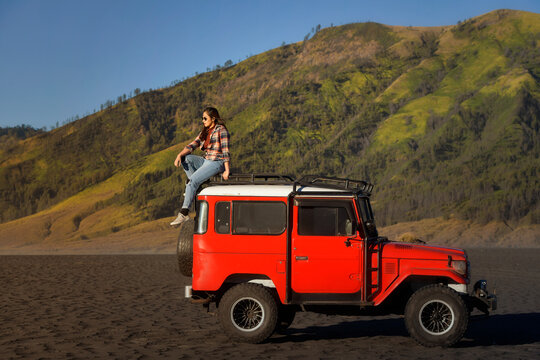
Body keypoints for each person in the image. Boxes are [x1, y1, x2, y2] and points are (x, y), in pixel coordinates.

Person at [170, 107, 230, 226]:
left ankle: (184, 213)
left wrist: (227, 170)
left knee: (192, 181)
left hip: (216, 162)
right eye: (202, 118)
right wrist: (179, 155)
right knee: (185, 159)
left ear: (213, 118)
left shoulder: (221, 130)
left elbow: (225, 151)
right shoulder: (205, 131)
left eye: (205, 118)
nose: (203, 120)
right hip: (205, 160)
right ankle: (194, 187)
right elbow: (192, 145)